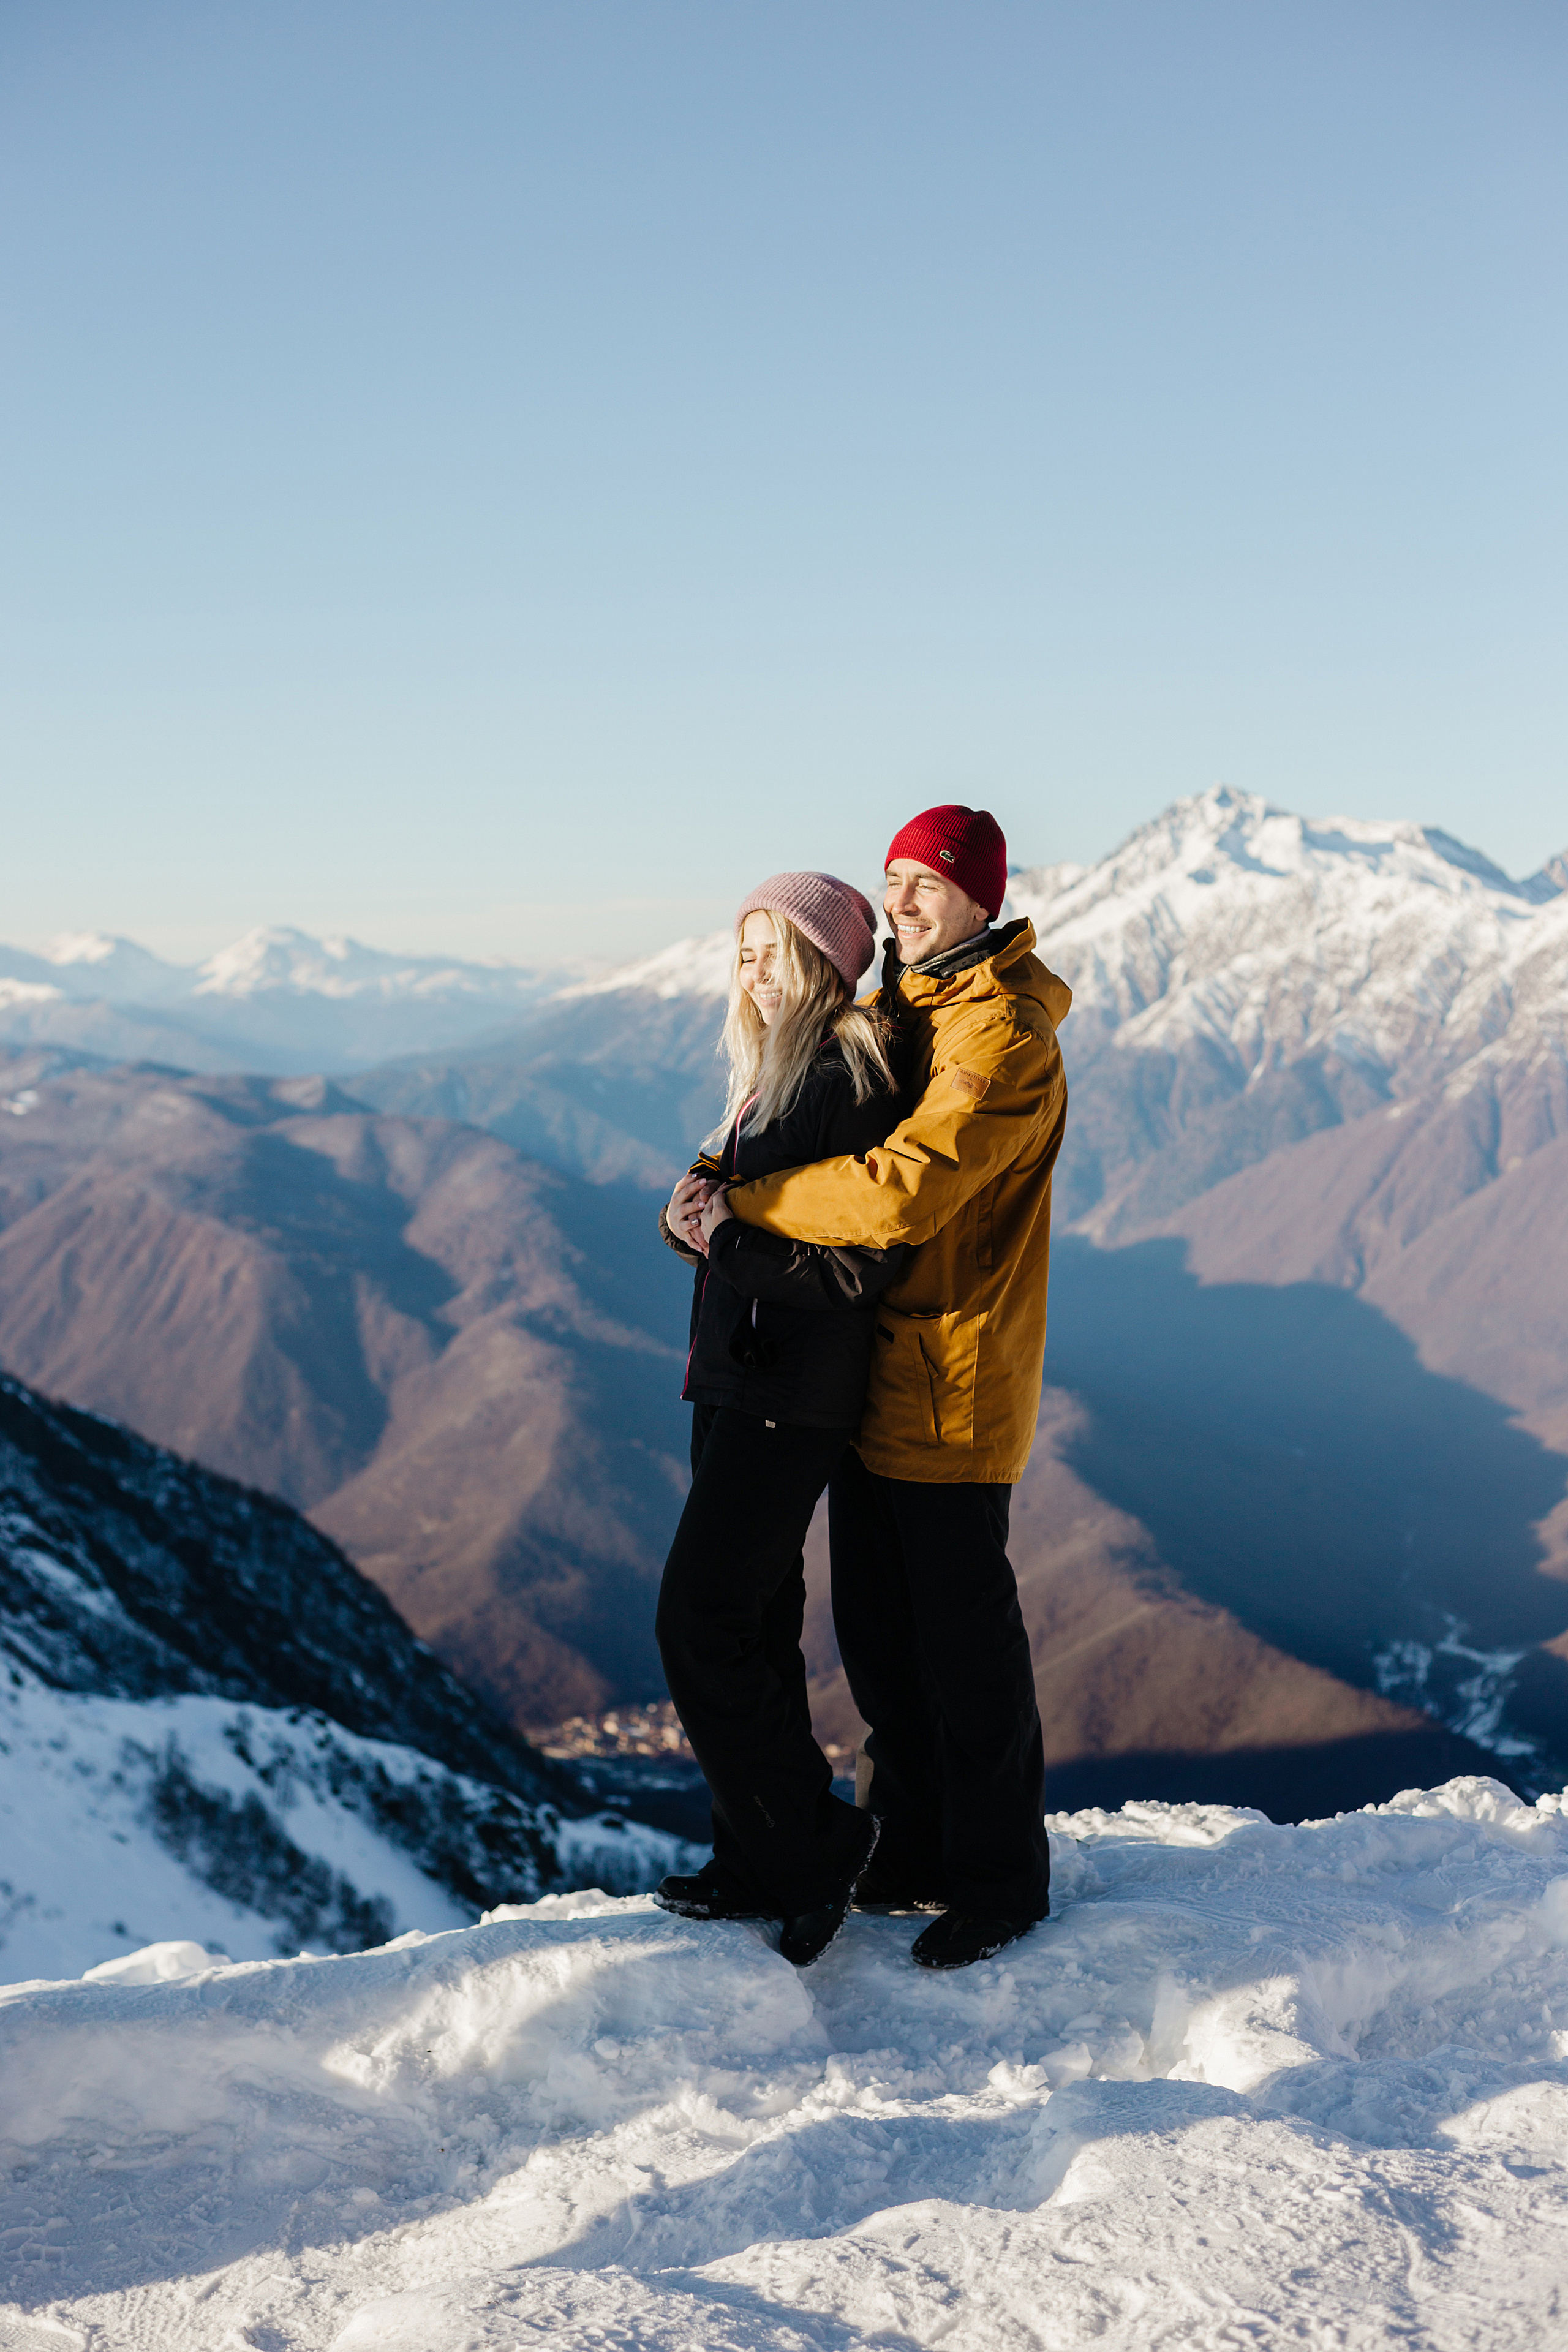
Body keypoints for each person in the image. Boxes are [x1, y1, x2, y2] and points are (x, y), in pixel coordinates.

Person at [722, 805, 1072, 1971]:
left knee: (965, 1647)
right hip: (880, 1374)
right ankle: (914, 1851)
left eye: (930, 883)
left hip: (956, 1381)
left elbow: (907, 1190)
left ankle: (1001, 1879)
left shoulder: (1004, 1036)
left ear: (983, 898)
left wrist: (744, 1215)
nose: (905, 903)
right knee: (880, 1637)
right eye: (894, 881)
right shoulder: (904, 1011)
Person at [650, 870, 911, 1967]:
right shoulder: (775, 1078)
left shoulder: (844, 1076)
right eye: (743, 952)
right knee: (750, 1623)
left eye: (774, 951)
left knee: (698, 1619)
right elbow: (740, 1219)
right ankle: (754, 1856)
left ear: (826, 963)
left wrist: (722, 1239)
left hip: (787, 1389)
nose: (752, 974)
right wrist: (689, 1219)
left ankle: (812, 1847)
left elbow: (856, 1267)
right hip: (739, 1376)